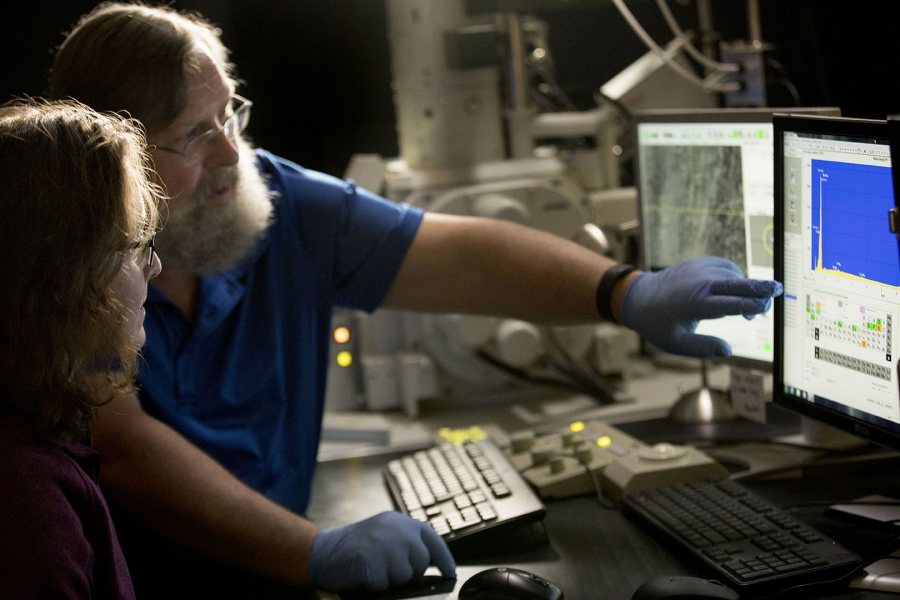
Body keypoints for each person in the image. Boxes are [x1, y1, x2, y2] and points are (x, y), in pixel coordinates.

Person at [47, 2, 783, 596]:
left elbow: (459, 254)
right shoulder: (64, 272)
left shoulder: (272, 201)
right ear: (121, 162)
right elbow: (128, 451)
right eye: (196, 134)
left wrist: (625, 292)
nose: (232, 153)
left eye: (230, 113)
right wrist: (316, 551)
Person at [0, 98, 162, 598]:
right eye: (133, 245)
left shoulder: (41, 434)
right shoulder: (27, 498)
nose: (153, 267)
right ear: (62, 279)